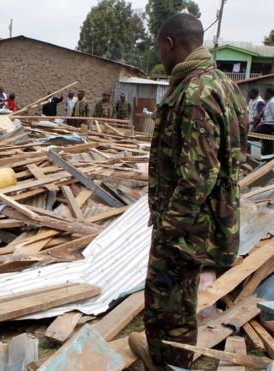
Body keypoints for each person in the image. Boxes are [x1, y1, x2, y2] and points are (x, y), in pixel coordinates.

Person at [127, 14, 247, 371]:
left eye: (159, 49)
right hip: (211, 221)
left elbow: (199, 175)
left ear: (170, 44)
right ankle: (168, 359)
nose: (160, 58)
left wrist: (169, 227)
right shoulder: (224, 85)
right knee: (180, 301)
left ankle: (170, 365)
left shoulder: (193, 93)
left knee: (170, 305)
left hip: (186, 228)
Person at [252, 88, 274, 156]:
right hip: (267, 124)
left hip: (268, 125)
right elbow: (265, 112)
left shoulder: (272, 102)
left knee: (252, 135)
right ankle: (267, 156)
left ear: (269, 94)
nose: (264, 95)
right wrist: (259, 116)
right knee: (267, 142)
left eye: (265, 93)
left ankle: (255, 155)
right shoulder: (269, 101)